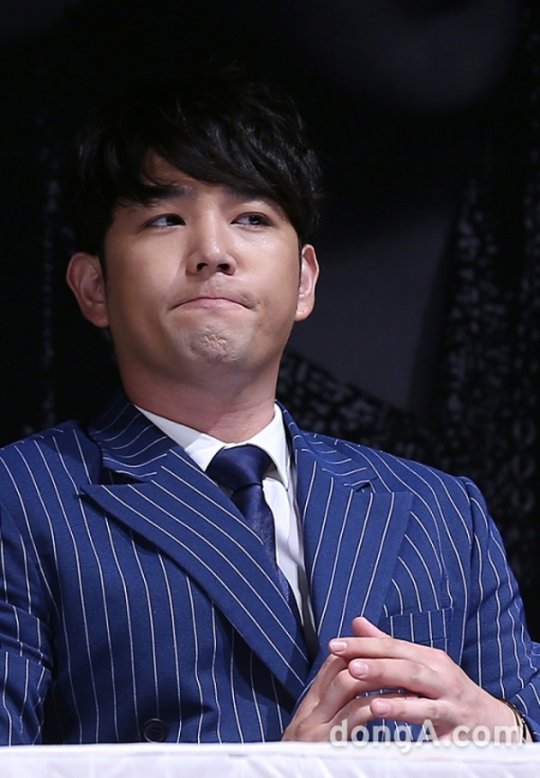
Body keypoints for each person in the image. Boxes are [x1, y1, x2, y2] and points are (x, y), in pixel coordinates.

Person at [0, 70, 539, 746]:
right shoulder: (24, 497)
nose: (213, 253)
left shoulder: (442, 513)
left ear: (305, 280)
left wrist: (507, 733)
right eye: (166, 219)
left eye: (251, 218)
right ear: (93, 287)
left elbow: (524, 714)